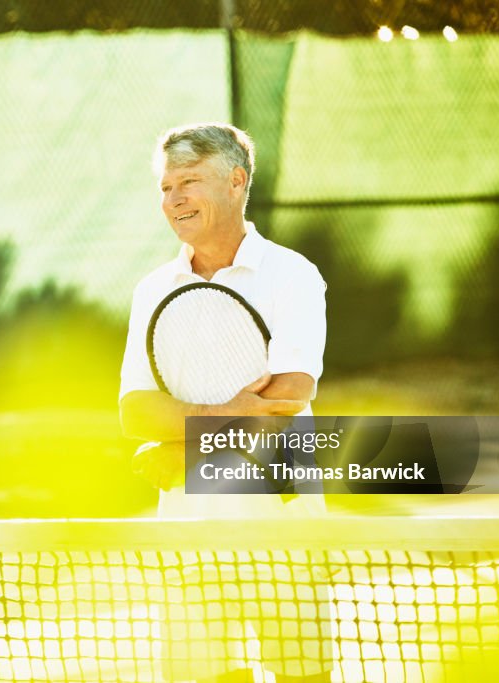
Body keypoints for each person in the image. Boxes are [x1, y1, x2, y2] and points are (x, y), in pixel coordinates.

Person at [119, 123, 332, 682]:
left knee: (301, 676)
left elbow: (288, 395)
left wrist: (185, 442)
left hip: (284, 522)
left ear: (236, 181)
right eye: (166, 188)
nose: (174, 200)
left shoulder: (294, 275)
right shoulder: (152, 290)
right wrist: (218, 419)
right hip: (188, 530)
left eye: (189, 182)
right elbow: (135, 411)